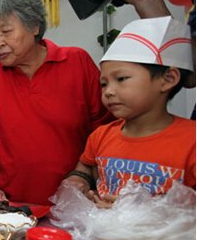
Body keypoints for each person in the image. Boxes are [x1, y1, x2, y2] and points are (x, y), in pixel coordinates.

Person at [0, 0, 112, 205]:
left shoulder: (77, 61)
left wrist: (84, 174)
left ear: (35, 27)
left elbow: (104, 128)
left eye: (6, 32)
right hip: (14, 203)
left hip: (76, 201)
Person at [63, 17, 195, 208]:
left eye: (122, 78)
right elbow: (86, 167)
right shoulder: (100, 137)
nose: (108, 91)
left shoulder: (191, 141)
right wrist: (79, 179)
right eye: (104, 83)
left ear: (168, 79)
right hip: (104, 237)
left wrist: (148, 213)